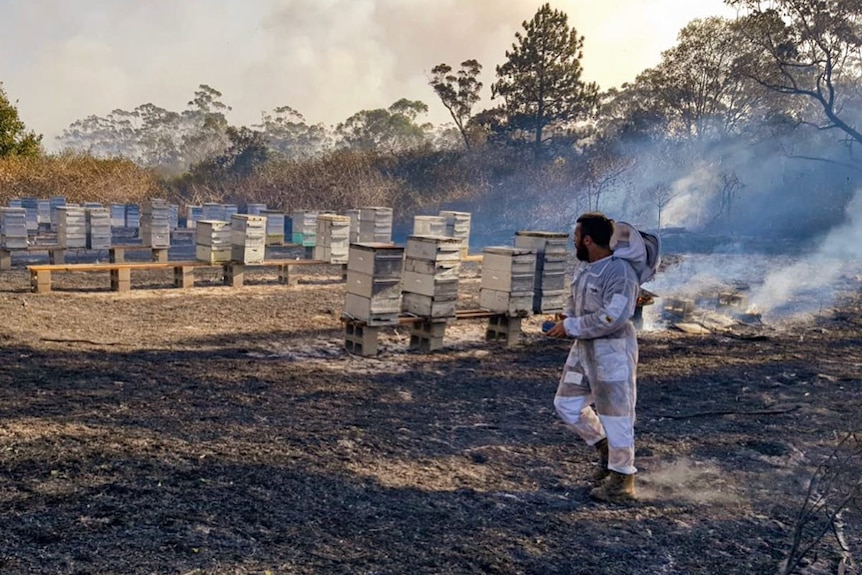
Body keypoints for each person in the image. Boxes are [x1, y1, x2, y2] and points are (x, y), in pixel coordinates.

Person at [546, 212, 640, 503]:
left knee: (617, 415)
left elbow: (613, 316)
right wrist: (565, 319)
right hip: (583, 350)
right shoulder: (585, 270)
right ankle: (606, 451)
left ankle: (623, 478)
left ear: (587, 239)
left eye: (575, 236)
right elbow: (577, 308)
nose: (573, 241)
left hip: (611, 352)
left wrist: (571, 326)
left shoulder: (620, 273)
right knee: (566, 404)